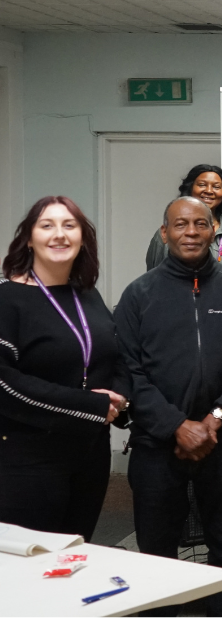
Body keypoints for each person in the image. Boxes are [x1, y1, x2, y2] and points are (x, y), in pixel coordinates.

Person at [116, 196, 222, 616]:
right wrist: (176, 425)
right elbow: (128, 369)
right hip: (156, 445)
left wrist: (215, 418)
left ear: (213, 230)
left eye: (200, 224)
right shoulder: (138, 295)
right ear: (164, 232)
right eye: (180, 224)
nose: (191, 232)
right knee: (156, 555)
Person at [0, 197, 125, 539]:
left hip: (89, 456)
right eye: (47, 225)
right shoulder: (7, 298)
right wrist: (93, 406)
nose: (59, 235)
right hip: (28, 459)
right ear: (28, 238)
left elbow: (112, 356)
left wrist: (119, 399)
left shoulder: (87, 295)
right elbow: (5, 384)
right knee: (27, 566)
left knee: (73, 559)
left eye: (69, 226)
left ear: (83, 237)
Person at [146, 164, 222, 275]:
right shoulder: (168, 233)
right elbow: (153, 281)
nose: (209, 191)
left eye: (216, 187)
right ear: (190, 188)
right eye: (202, 185)